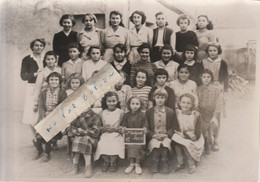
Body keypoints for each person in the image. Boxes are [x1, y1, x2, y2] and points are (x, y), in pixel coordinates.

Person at [34, 72, 67, 162]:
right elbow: (41, 106)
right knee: (39, 133)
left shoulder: (62, 93)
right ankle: (39, 150)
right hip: (44, 116)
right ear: (48, 81)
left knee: (47, 132)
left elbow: (61, 108)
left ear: (59, 81)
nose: (54, 81)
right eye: (51, 79)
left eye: (56, 80)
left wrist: (51, 117)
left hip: (55, 117)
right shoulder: (43, 93)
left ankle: (47, 153)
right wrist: (43, 116)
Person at [202, 42, 229, 151]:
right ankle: (207, 138)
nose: (212, 52)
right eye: (210, 50)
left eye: (214, 50)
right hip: (206, 87)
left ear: (218, 51)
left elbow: (226, 78)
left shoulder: (222, 62)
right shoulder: (203, 62)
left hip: (218, 88)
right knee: (205, 112)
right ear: (207, 52)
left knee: (217, 114)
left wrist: (225, 92)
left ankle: (216, 139)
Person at [146, 88, 179, 173]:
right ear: (154, 98)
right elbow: (146, 127)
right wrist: (152, 135)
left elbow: (173, 127)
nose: (160, 100)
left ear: (166, 99)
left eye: (162, 98)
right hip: (154, 135)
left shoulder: (170, 112)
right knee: (155, 144)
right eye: (158, 97)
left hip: (165, 136)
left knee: (165, 144)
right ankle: (155, 161)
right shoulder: (149, 112)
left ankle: (165, 161)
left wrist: (167, 134)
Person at [20, 38, 46, 143]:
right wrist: (34, 74)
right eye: (36, 45)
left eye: (41, 45)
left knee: (45, 110)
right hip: (32, 87)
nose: (38, 47)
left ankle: (48, 139)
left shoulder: (46, 58)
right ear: (32, 47)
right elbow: (23, 76)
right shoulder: (27, 59)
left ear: (43, 47)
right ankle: (35, 137)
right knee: (32, 113)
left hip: (44, 86)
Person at [172, 93, 204, 174]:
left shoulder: (196, 115)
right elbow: (175, 128)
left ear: (192, 104)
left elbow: (198, 133)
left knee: (186, 144)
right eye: (183, 102)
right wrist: (185, 133)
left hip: (194, 137)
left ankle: (191, 164)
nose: (185, 105)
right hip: (181, 134)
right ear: (179, 103)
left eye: (188, 103)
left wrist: (187, 136)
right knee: (176, 141)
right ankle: (180, 163)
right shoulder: (177, 113)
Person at [94, 92, 125, 172]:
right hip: (105, 134)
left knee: (115, 145)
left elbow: (123, 125)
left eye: (114, 101)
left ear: (117, 101)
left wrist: (117, 129)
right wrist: (103, 129)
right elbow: (98, 126)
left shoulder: (120, 113)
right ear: (106, 102)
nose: (111, 103)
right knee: (102, 144)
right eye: (109, 101)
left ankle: (113, 162)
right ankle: (106, 161)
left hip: (116, 134)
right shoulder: (102, 113)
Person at [68, 109, 101, 178]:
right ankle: (75, 166)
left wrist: (83, 132)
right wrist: (78, 133)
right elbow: (72, 128)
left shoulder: (95, 116)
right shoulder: (76, 115)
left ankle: (88, 166)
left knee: (85, 141)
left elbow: (96, 131)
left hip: (92, 138)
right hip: (78, 136)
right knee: (77, 141)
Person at [197, 69, 222, 154]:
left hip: (212, 112)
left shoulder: (216, 89)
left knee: (214, 124)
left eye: (208, 77)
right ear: (201, 78)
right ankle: (206, 142)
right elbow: (196, 103)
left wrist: (215, 116)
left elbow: (219, 103)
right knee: (203, 127)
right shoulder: (198, 89)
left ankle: (215, 140)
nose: (206, 79)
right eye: (204, 77)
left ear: (211, 78)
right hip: (202, 112)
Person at [121, 96, 147, 175]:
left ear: (140, 105)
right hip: (130, 137)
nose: (135, 106)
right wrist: (123, 128)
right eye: (133, 104)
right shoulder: (126, 115)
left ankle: (137, 164)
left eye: (137, 104)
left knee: (139, 146)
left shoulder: (143, 115)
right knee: (130, 145)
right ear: (129, 105)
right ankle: (131, 163)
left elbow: (146, 125)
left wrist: (145, 128)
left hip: (140, 137)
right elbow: (123, 125)